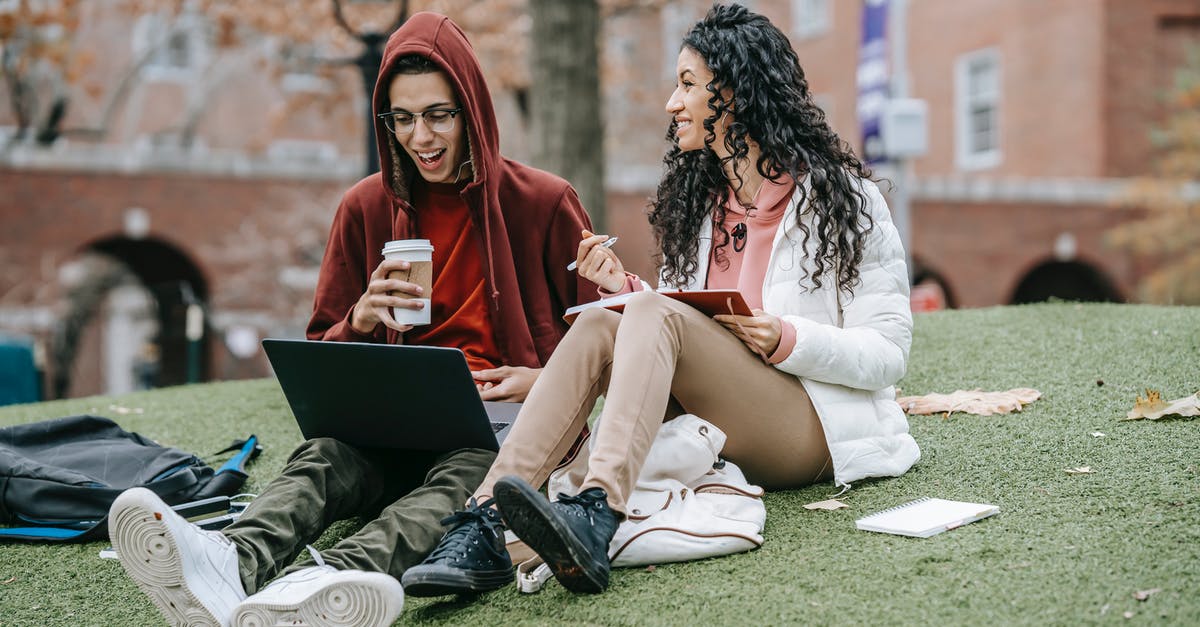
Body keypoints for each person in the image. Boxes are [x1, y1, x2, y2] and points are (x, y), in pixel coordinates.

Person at [405, 3, 920, 596]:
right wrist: (623, 291)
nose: (672, 103)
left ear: (738, 95)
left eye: (687, 85)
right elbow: (677, 321)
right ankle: (484, 520)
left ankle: (598, 507)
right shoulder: (700, 207)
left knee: (643, 312)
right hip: (720, 417)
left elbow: (888, 352)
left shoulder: (843, 201)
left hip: (814, 426)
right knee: (604, 318)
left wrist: (787, 338)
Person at [106, 12, 594, 627]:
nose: (422, 136)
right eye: (403, 117)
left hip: (499, 429)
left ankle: (326, 583)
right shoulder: (363, 207)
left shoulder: (544, 202)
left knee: (469, 477)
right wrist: (361, 320)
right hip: (390, 426)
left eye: (440, 114)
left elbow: (602, 340)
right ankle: (230, 562)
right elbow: (324, 352)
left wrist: (540, 378)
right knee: (326, 455)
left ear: (473, 109)